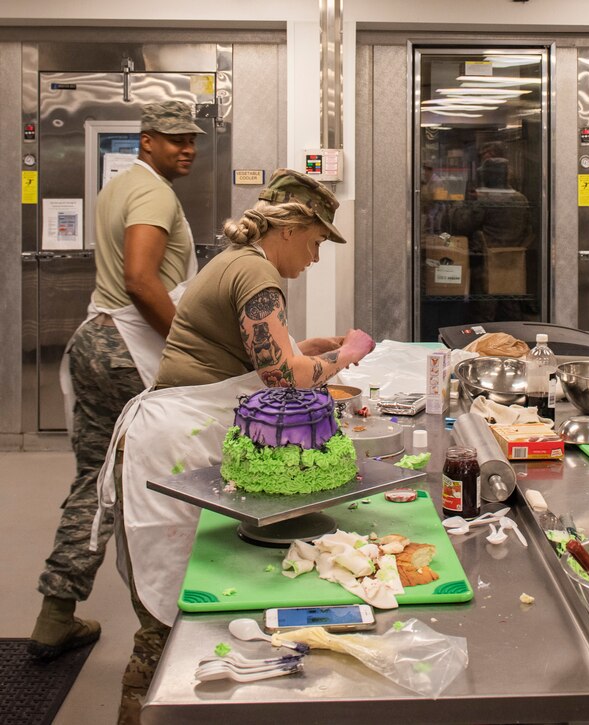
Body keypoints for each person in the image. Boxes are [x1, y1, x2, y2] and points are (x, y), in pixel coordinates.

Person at [96, 168, 376, 722]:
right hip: (170, 445)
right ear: (293, 228)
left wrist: (305, 348)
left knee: (185, 607)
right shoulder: (258, 274)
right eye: (318, 243)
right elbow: (280, 376)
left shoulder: (237, 263)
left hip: (180, 433)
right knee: (165, 623)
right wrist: (348, 353)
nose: (316, 258)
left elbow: (253, 350)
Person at [30, 100, 203, 661]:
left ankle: (56, 612)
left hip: (94, 342)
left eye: (192, 139)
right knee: (151, 484)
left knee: (93, 481)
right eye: (173, 138)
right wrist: (189, 347)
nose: (187, 148)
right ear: (145, 140)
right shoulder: (154, 192)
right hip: (130, 350)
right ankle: (163, 627)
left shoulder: (121, 185)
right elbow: (138, 279)